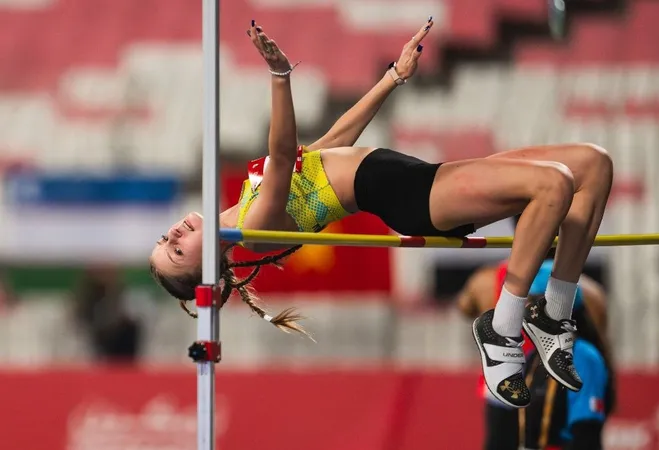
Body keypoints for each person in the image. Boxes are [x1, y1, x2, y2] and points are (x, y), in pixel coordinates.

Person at [149, 19, 614, 401]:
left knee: (594, 165)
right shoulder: (253, 232)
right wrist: (280, 79)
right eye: (175, 251)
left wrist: (393, 78)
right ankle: (503, 330)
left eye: (163, 239)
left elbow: (328, 147)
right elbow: (285, 149)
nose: (171, 236)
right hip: (416, 198)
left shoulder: (242, 206)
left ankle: (553, 316)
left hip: (421, 176)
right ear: (207, 265)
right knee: (554, 183)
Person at [458, 251, 615, 450]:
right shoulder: (537, 356)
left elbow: (586, 436)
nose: (526, 311)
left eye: (533, 302)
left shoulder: (583, 356)